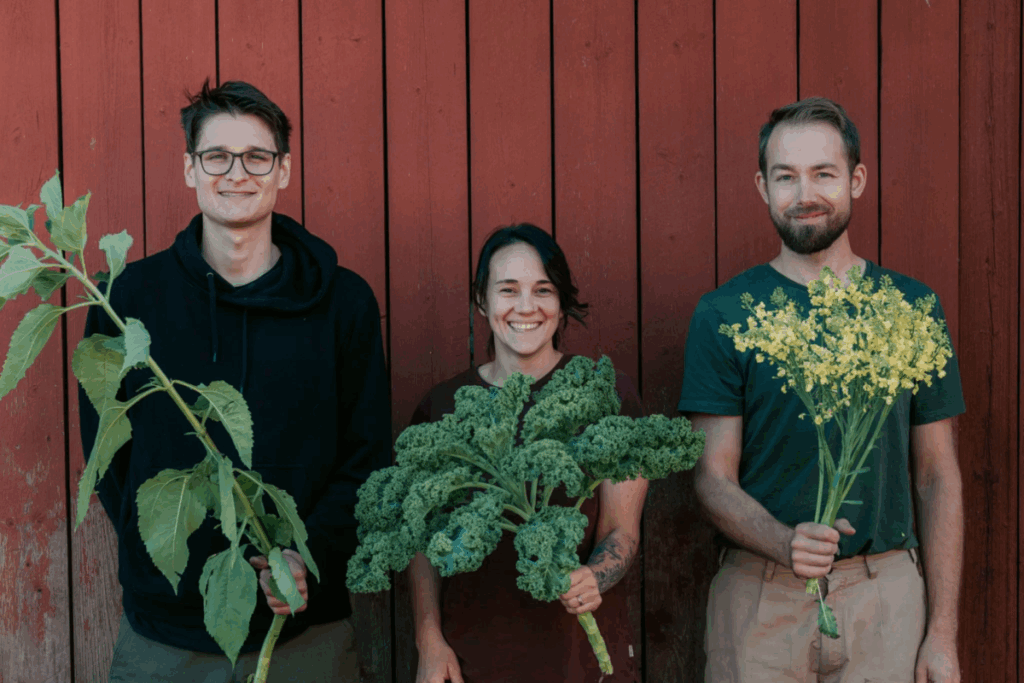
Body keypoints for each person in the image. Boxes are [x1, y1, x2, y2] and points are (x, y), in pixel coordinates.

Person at [79, 80, 390, 681]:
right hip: (166, 637)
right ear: (190, 170)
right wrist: (162, 559)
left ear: (285, 170)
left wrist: (309, 555)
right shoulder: (126, 301)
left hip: (305, 629)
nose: (236, 174)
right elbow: (109, 453)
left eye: (257, 156)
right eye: (216, 156)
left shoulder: (344, 304)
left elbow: (367, 456)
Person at [678, 97, 965, 683]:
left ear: (856, 180)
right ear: (762, 187)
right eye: (786, 176)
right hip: (760, 599)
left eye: (823, 173)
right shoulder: (727, 313)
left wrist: (941, 633)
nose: (804, 193)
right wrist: (783, 542)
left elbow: (938, 476)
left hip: (885, 597)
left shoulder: (910, 309)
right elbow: (711, 477)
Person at [409, 224, 646, 682]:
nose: (525, 307)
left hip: (579, 661)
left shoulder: (605, 397)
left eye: (543, 290)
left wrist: (595, 576)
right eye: (507, 290)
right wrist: (428, 641)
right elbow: (422, 547)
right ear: (482, 300)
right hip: (470, 660)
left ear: (560, 304)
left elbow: (622, 530)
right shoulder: (441, 407)